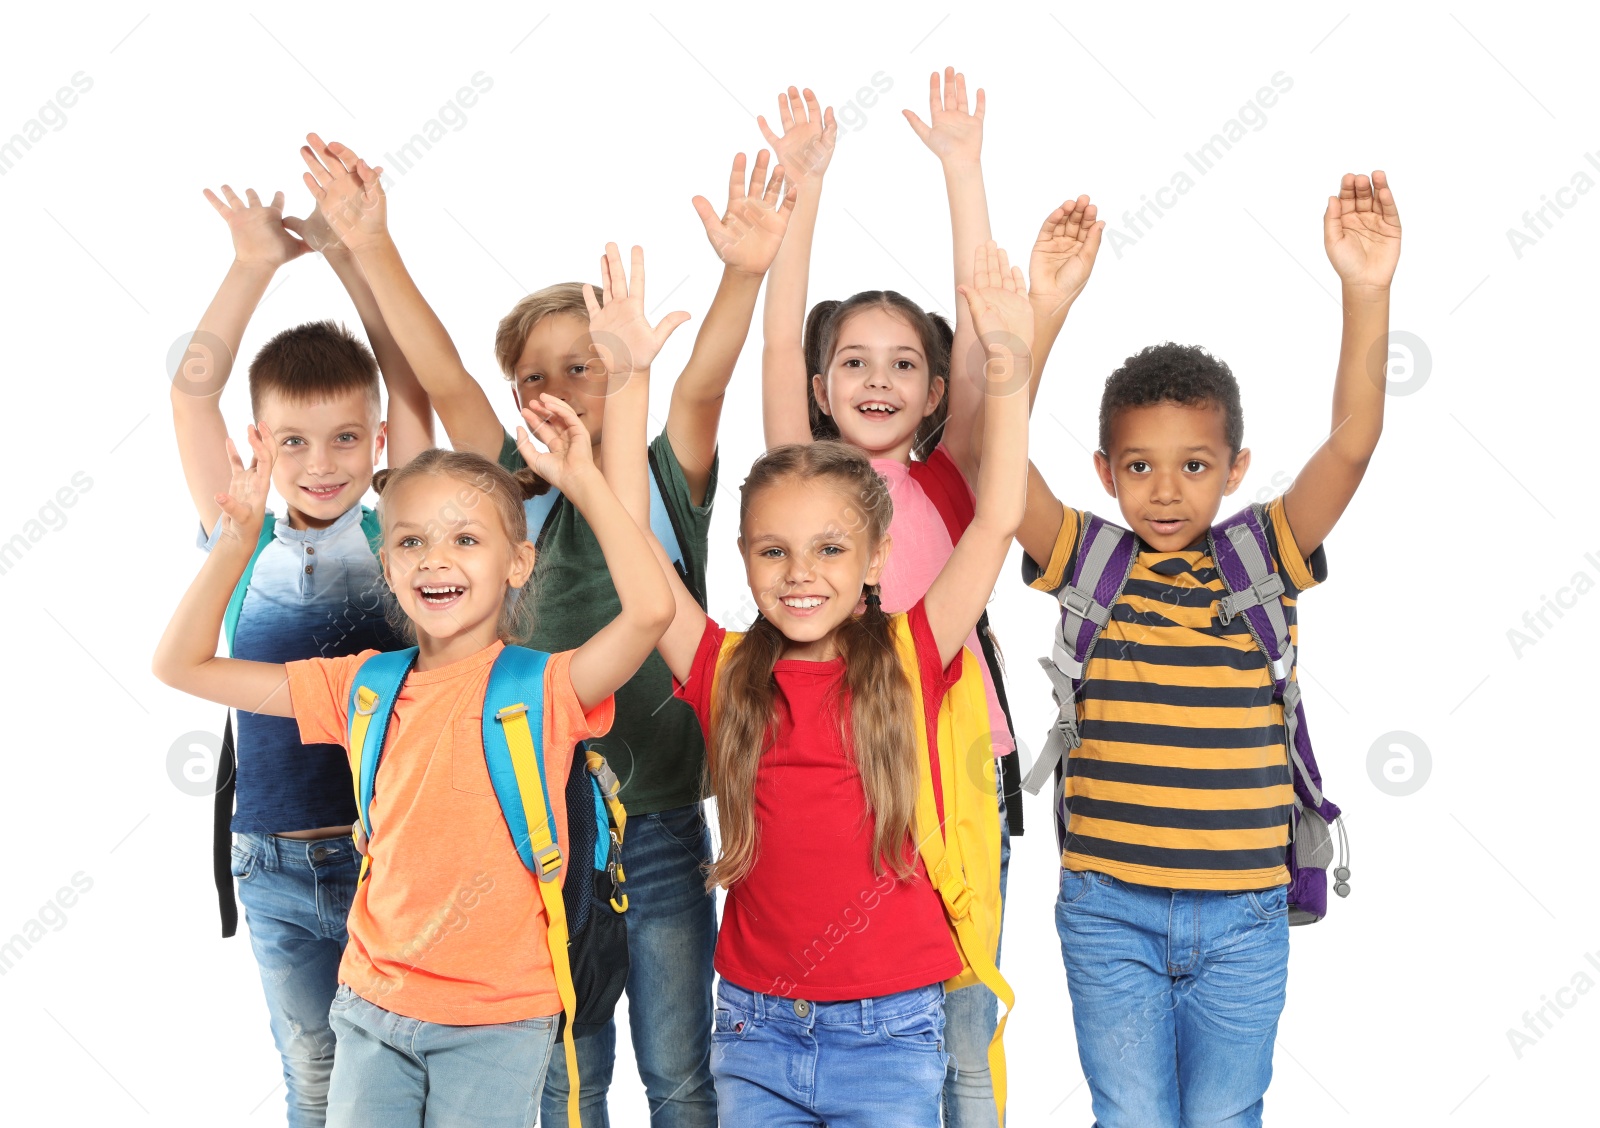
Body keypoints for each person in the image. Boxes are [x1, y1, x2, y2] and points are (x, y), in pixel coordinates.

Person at [297, 133, 795, 1126]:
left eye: (585, 363)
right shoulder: (500, 504)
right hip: (535, 833)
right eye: (535, 373)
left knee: (679, 1070)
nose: (558, 384)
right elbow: (442, 375)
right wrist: (373, 241)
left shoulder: (659, 477)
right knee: (570, 1069)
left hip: (653, 820)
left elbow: (701, 383)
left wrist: (743, 274)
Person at [152, 387, 674, 1128]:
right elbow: (182, 666)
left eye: (466, 539)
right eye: (411, 542)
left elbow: (650, 611)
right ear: (388, 566)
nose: (436, 559)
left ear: (518, 563)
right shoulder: (362, 687)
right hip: (371, 1009)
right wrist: (235, 547)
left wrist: (584, 480)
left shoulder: (546, 687)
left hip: (498, 1018)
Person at [1016, 172, 1402, 1127]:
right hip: (1109, 911)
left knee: (1228, 1117)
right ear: (1104, 472)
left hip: (1244, 916)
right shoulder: (1086, 556)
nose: (1165, 491)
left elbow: (1350, 450)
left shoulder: (1261, 555)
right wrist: (1043, 310)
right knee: (1132, 1119)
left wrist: (1366, 291)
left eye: (1195, 466)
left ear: (1235, 467)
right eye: (1138, 467)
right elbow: (993, 456)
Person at [756, 71, 1101, 1123]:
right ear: (820, 388)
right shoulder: (804, 474)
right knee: (865, 1014)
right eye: (852, 360)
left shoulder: (951, 471)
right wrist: (805, 187)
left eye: (903, 363)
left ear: (934, 392)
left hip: (960, 774)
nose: (876, 376)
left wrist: (961, 168)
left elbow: (984, 329)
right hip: (835, 776)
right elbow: (777, 339)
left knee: (960, 1016)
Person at [650, 241, 1032, 1126]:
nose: (802, 570)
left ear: (874, 555)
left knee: (969, 1054)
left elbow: (1000, 508)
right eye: (776, 551)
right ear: (747, 555)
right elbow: (647, 575)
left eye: (830, 549)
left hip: (905, 970)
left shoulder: (910, 644)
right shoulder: (733, 668)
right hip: (757, 1025)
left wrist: (1007, 361)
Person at [170, 182, 432, 1126]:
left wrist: (356, 253)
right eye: (294, 441)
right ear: (259, 445)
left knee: (401, 1073)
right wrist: (252, 266)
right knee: (314, 1077)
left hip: (390, 856)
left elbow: (408, 381)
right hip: (269, 860)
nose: (323, 461)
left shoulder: (405, 525)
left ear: (380, 442)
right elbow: (189, 389)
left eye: (346, 439)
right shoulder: (235, 535)